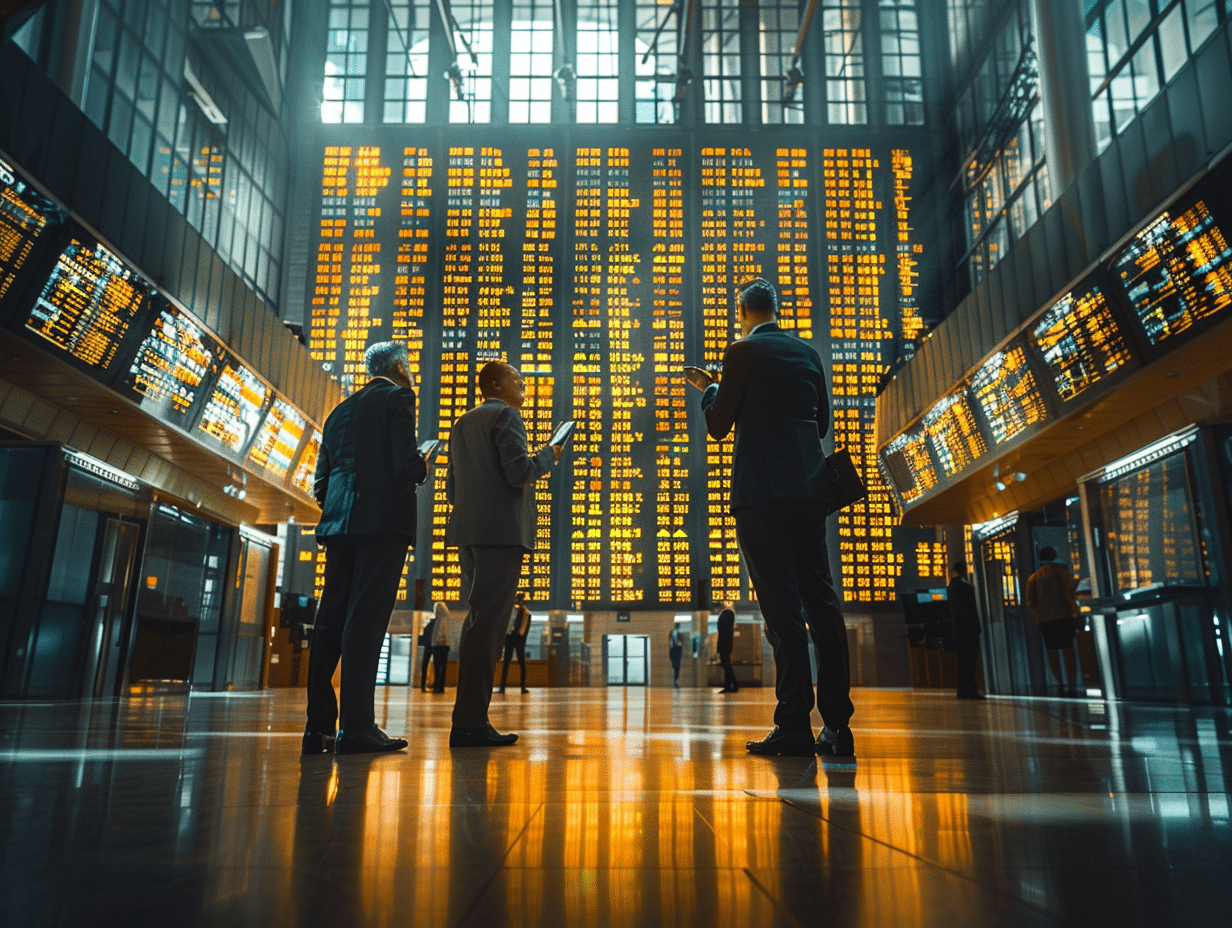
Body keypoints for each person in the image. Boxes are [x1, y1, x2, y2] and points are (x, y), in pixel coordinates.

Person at [700, 278, 854, 760]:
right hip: (810, 492)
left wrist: (711, 389)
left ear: (742, 310)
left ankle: (792, 725)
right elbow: (823, 423)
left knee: (783, 612)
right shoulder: (809, 354)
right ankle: (838, 727)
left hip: (761, 495)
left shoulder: (740, 352)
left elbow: (719, 426)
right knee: (823, 605)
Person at [303, 341, 428, 756]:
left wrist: (342, 509)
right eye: (408, 365)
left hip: (339, 525)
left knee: (329, 624)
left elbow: (321, 483)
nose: (410, 372)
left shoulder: (338, 413)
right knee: (365, 622)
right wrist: (423, 462)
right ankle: (357, 728)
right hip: (382, 525)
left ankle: (318, 726)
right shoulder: (398, 396)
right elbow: (404, 464)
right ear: (396, 366)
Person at [445, 361, 560, 747]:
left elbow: (451, 487)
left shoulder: (461, 423)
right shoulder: (507, 415)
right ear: (497, 384)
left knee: (479, 620)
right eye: (518, 379)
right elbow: (518, 472)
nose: (524, 385)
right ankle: (470, 722)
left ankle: (469, 718)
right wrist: (550, 455)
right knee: (490, 627)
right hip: (501, 532)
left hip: (469, 532)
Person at [1025, 546, 1081, 696]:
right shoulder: (1061, 572)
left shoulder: (1033, 578)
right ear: (1055, 556)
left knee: (1052, 652)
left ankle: (1060, 684)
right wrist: (1075, 611)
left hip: (1045, 621)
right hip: (1063, 617)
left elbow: (1030, 602)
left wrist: (1039, 615)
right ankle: (1072, 686)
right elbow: (1068, 593)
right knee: (1068, 650)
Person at [948, 561, 984, 700]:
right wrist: (975, 626)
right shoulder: (962, 586)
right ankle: (968, 690)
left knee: (964, 662)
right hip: (967, 630)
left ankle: (965, 689)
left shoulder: (953, 586)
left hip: (960, 630)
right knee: (969, 661)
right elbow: (968, 610)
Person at [498, 592, 532, 694]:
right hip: (510, 637)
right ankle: (503, 687)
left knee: (521, 662)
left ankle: (522, 687)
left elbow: (523, 630)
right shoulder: (513, 611)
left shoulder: (526, 613)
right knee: (506, 662)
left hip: (518, 639)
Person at [716, 607, 739, 693]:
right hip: (727, 646)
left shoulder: (725, 618)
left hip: (724, 646)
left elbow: (721, 632)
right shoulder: (730, 623)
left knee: (726, 665)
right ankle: (729, 685)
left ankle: (732, 684)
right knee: (726, 665)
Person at [430, 601, 451, 693]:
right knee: (443, 666)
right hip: (445, 646)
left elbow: (440, 633)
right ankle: (440, 686)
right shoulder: (447, 618)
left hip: (439, 645)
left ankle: (438, 686)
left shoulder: (441, 619)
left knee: (437, 666)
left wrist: (438, 641)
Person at [418, 612, 436, 692]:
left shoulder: (428, 625)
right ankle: (434, 684)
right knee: (436, 665)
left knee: (425, 665)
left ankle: (423, 685)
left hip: (427, 646)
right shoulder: (436, 625)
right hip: (434, 645)